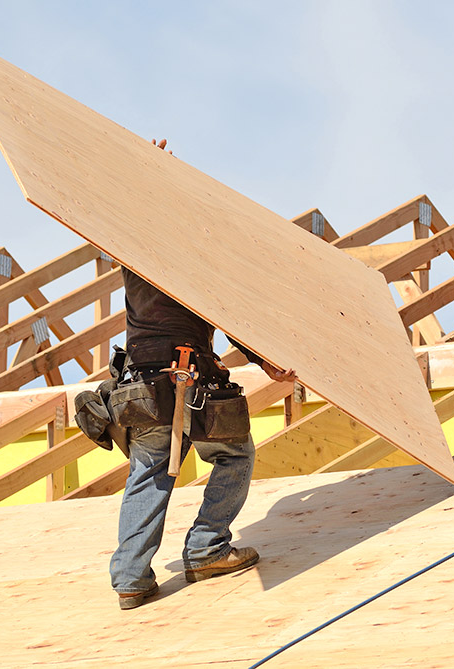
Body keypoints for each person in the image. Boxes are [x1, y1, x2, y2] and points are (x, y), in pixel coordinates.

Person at [111, 138, 296, 610]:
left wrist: (142, 174)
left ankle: (131, 578)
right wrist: (265, 361)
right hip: (189, 378)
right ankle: (206, 550)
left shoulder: (130, 251)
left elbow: (114, 210)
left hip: (140, 385)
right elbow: (233, 317)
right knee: (235, 456)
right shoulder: (194, 257)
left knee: (149, 472)